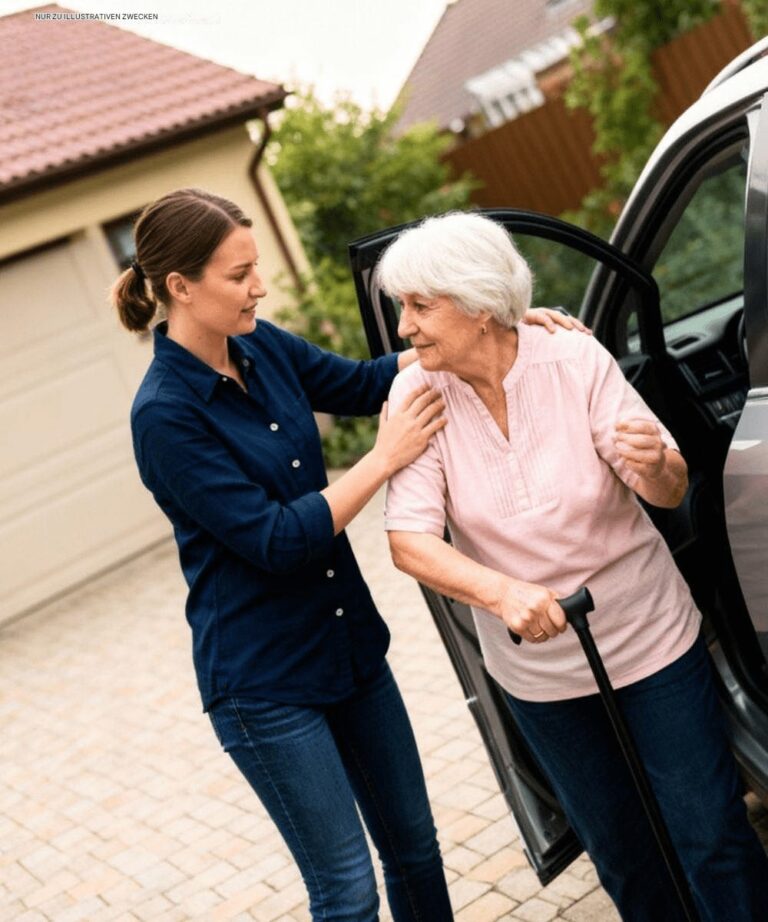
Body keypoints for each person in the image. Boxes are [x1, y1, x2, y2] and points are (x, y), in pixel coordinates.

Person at [111, 188, 582, 922]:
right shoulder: (165, 415)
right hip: (265, 689)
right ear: (180, 287)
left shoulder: (262, 347)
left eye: (256, 267)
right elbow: (276, 541)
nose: (258, 286)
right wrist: (382, 461)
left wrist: (499, 334)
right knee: (346, 890)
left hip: (349, 652)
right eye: (239, 275)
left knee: (417, 852)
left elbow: (364, 383)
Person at [378, 211, 768, 922]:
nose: (404, 328)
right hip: (539, 676)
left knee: (708, 832)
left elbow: (667, 486)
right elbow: (410, 540)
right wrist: (500, 591)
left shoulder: (574, 361)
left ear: (478, 303)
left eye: (418, 306)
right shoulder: (417, 395)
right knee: (622, 852)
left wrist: (657, 466)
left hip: (649, 643)